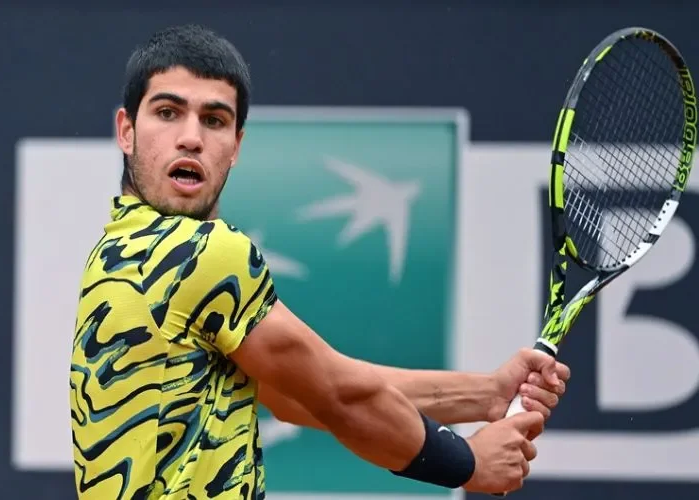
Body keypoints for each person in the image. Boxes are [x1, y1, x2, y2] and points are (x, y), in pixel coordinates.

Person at [69, 24, 571, 500]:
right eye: (168, 112)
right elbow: (341, 396)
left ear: (237, 146)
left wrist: (485, 394)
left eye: (215, 120)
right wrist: (467, 462)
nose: (191, 137)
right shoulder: (202, 256)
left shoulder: (112, 254)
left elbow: (299, 393)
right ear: (127, 130)